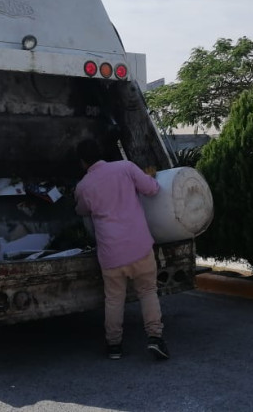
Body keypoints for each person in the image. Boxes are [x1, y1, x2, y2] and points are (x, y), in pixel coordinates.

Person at [74, 138, 169, 360]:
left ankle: (114, 346)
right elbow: (152, 189)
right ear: (102, 152)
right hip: (140, 246)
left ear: (82, 162)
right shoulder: (125, 168)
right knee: (147, 291)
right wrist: (150, 178)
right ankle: (155, 338)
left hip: (111, 254)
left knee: (114, 299)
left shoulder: (83, 186)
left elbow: (81, 210)